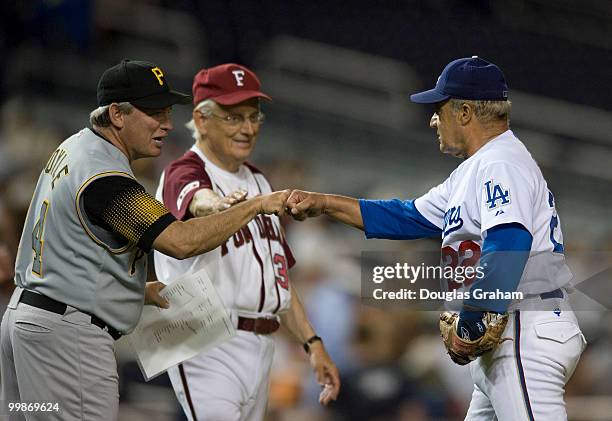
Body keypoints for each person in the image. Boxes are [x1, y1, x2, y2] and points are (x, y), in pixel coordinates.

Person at [286, 57, 586, 420]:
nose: (433, 119)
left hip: (523, 327)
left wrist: (473, 318)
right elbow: (407, 216)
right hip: (512, 334)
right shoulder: (475, 170)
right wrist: (324, 203)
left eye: (438, 108)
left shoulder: (501, 162)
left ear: (464, 112)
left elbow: (509, 242)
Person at [0, 59, 290, 421]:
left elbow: (80, 242)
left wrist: (134, 288)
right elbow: (180, 241)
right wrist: (257, 205)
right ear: (118, 115)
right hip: (67, 337)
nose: (167, 124)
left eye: (168, 111)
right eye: (154, 113)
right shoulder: (105, 175)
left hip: (31, 322)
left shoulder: (75, 147)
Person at [154, 63, 340, 421]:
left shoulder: (258, 181)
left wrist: (312, 344)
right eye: (233, 117)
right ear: (202, 119)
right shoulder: (186, 170)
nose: (247, 128)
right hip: (204, 337)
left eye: (253, 117)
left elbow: (278, 279)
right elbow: (199, 202)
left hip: (261, 342)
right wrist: (222, 205)